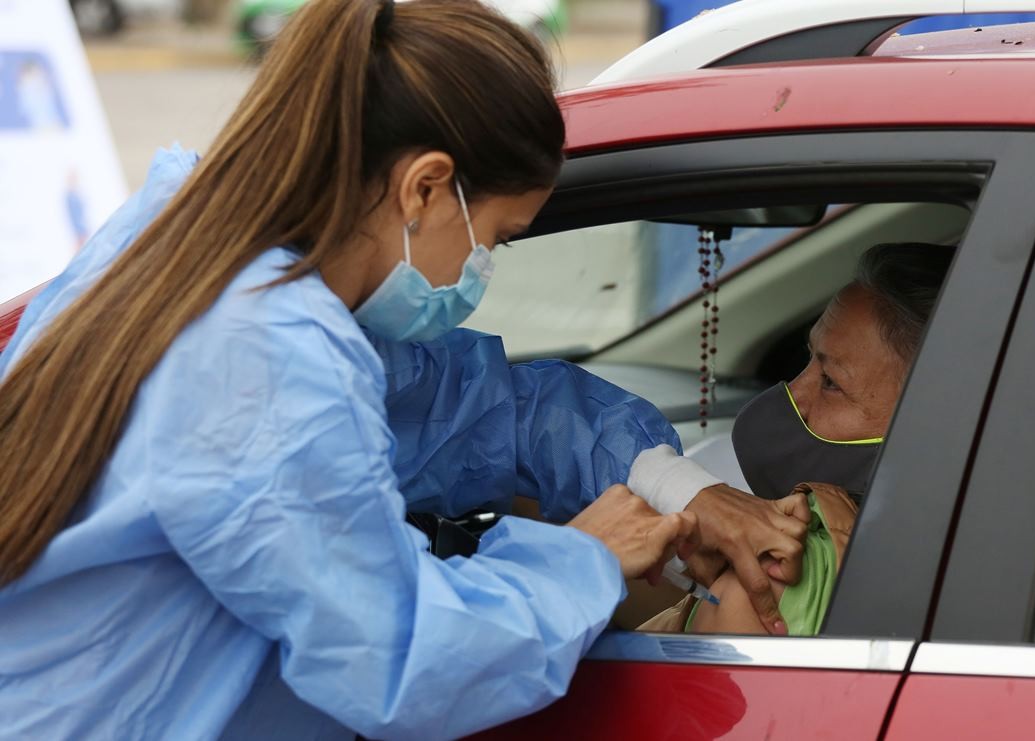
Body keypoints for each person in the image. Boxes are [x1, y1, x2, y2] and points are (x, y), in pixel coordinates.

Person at [0, 1, 804, 739]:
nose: (484, 264)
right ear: (424, 187)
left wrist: (677, 486)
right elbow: (404, 661)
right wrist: (583, 558)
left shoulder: (199, 256)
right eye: (497, 237)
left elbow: (478, 411)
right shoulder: (264, 357)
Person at [639, 242, 955, 635]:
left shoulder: (775, 579)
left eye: (830, 382)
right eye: (807, 361)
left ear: (932, 424)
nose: (793, 397)